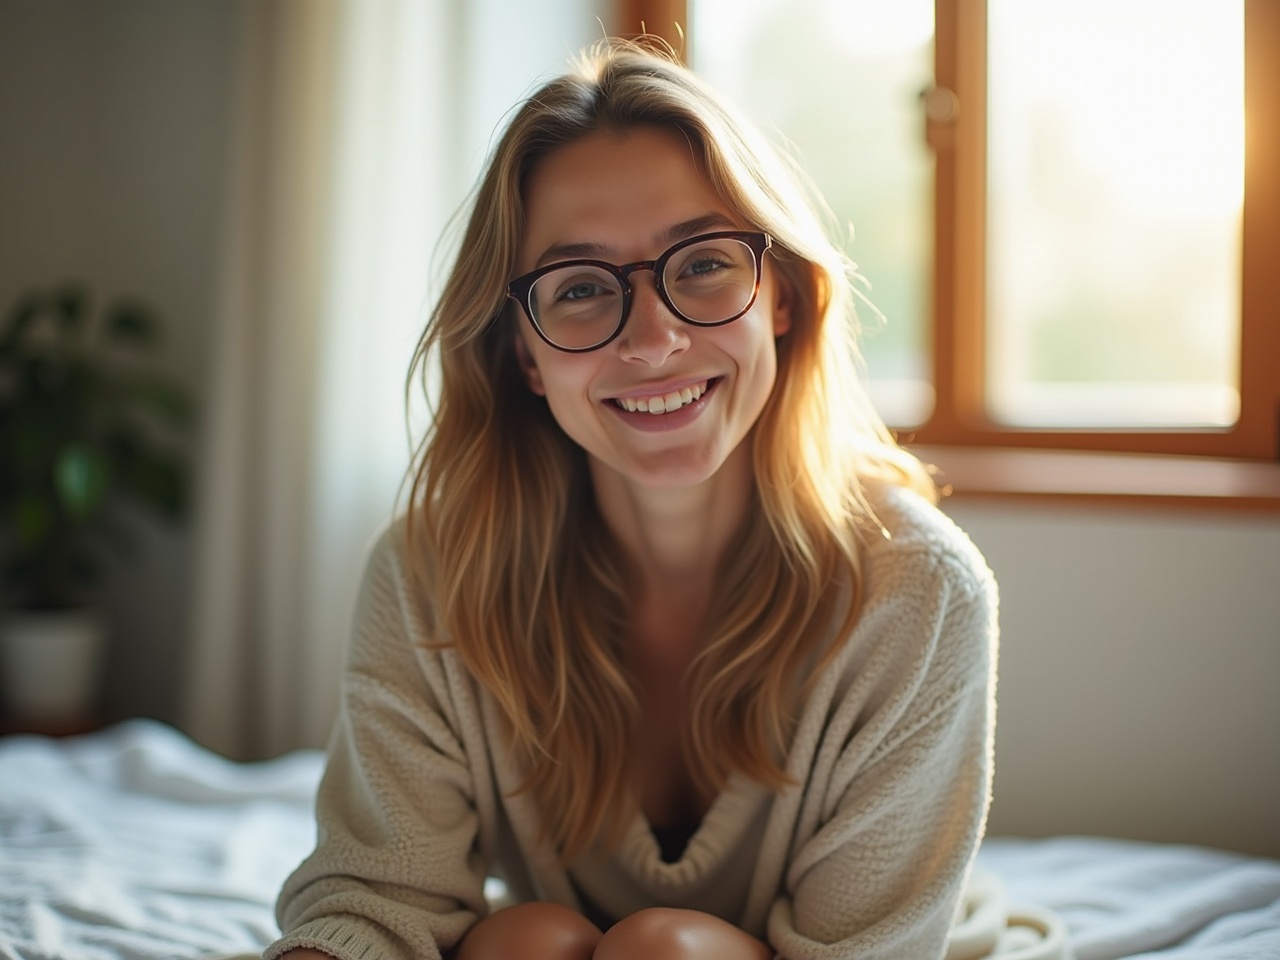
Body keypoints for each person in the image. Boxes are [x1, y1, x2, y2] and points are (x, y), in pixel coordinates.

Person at [266, 37, 998, 960]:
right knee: (522, 941)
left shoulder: (918, 594)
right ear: (524, 354)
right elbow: (376, 902)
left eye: (701, 264)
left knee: (659, 949)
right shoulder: (429, 577)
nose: (653, 342)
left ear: (779, 295)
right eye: (578, 288)